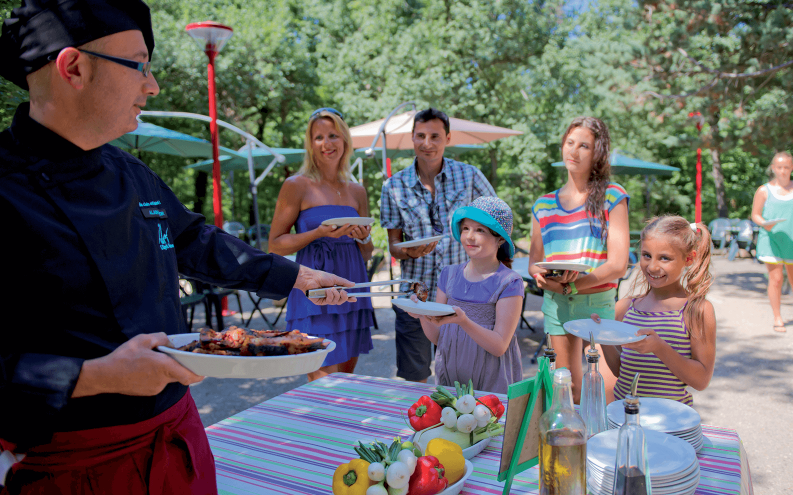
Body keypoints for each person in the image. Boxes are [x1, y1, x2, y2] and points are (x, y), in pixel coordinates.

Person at [0, 1, 354, 493]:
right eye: (139, 65)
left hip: (177, 442)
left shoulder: (133, 175)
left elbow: (195, 242)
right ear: (74, 67)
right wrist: (96, 376)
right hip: (75, 469)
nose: (153, 85)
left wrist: (295, 276)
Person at [379, 108, 496, 383]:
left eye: (435, 136)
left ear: (448, 138)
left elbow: (498, 222)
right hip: (415, 298)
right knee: (414, 379)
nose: (427, 143)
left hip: (464, 298)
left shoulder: (469, 176)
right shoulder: (394, 186)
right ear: (412, 138)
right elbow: (393, 247)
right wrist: (409, 250)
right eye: (420, 136)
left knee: (462, 378)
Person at [268, 108, 376, 382]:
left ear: (345, 141)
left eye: (333, 135)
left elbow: (366, 252)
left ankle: (342, 426)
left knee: (346, 382)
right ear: (310, 143)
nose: (326, 144)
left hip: (352, 289)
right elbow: (275, 246)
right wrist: (318, 232)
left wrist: (362, 236)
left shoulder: (357, 190)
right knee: (324, 386)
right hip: (313, 289)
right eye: (318, 137)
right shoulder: (296, 185)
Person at [528, 116, 629, 404]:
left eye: (584, 145)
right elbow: (534, 262)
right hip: (557, 305)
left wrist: (573, 286)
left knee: (607, 395)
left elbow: (618, 265)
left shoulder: (613, 196)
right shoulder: (543, 204)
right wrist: (542, 276)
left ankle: (604, 449)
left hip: (598, 303)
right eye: (570, 143)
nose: (574, 151)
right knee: (566, 394)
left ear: (598, 152)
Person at [594, 216, 717, 406]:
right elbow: (622, 371)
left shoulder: (696, 310)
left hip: (670, 422)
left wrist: (659, 348)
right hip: (624, 416)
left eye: (665, 258)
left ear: (689, 259)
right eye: (646, 255)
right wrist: (602, 337)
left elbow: (701, 381)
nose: (652, 266)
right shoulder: (626, 307)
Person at [405, 197, 524, 394]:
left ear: (500, 238)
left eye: (480, 230)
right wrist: (422, 314)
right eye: (466, 228)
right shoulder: (448, 275)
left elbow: (499, 346)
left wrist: (464, 321)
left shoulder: (509, 282)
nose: (469, 236)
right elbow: (438, 337)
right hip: (451, 380)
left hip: (490, 383)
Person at [751, 152, 793, 333]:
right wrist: (764, 223)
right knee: (776, 279)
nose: (783, 171)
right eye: (779, 167)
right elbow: (755, 214)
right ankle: (777, 317)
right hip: (771, 240)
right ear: (773, 168)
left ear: (792, 167)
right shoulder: (763, 190)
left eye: (786, 167)